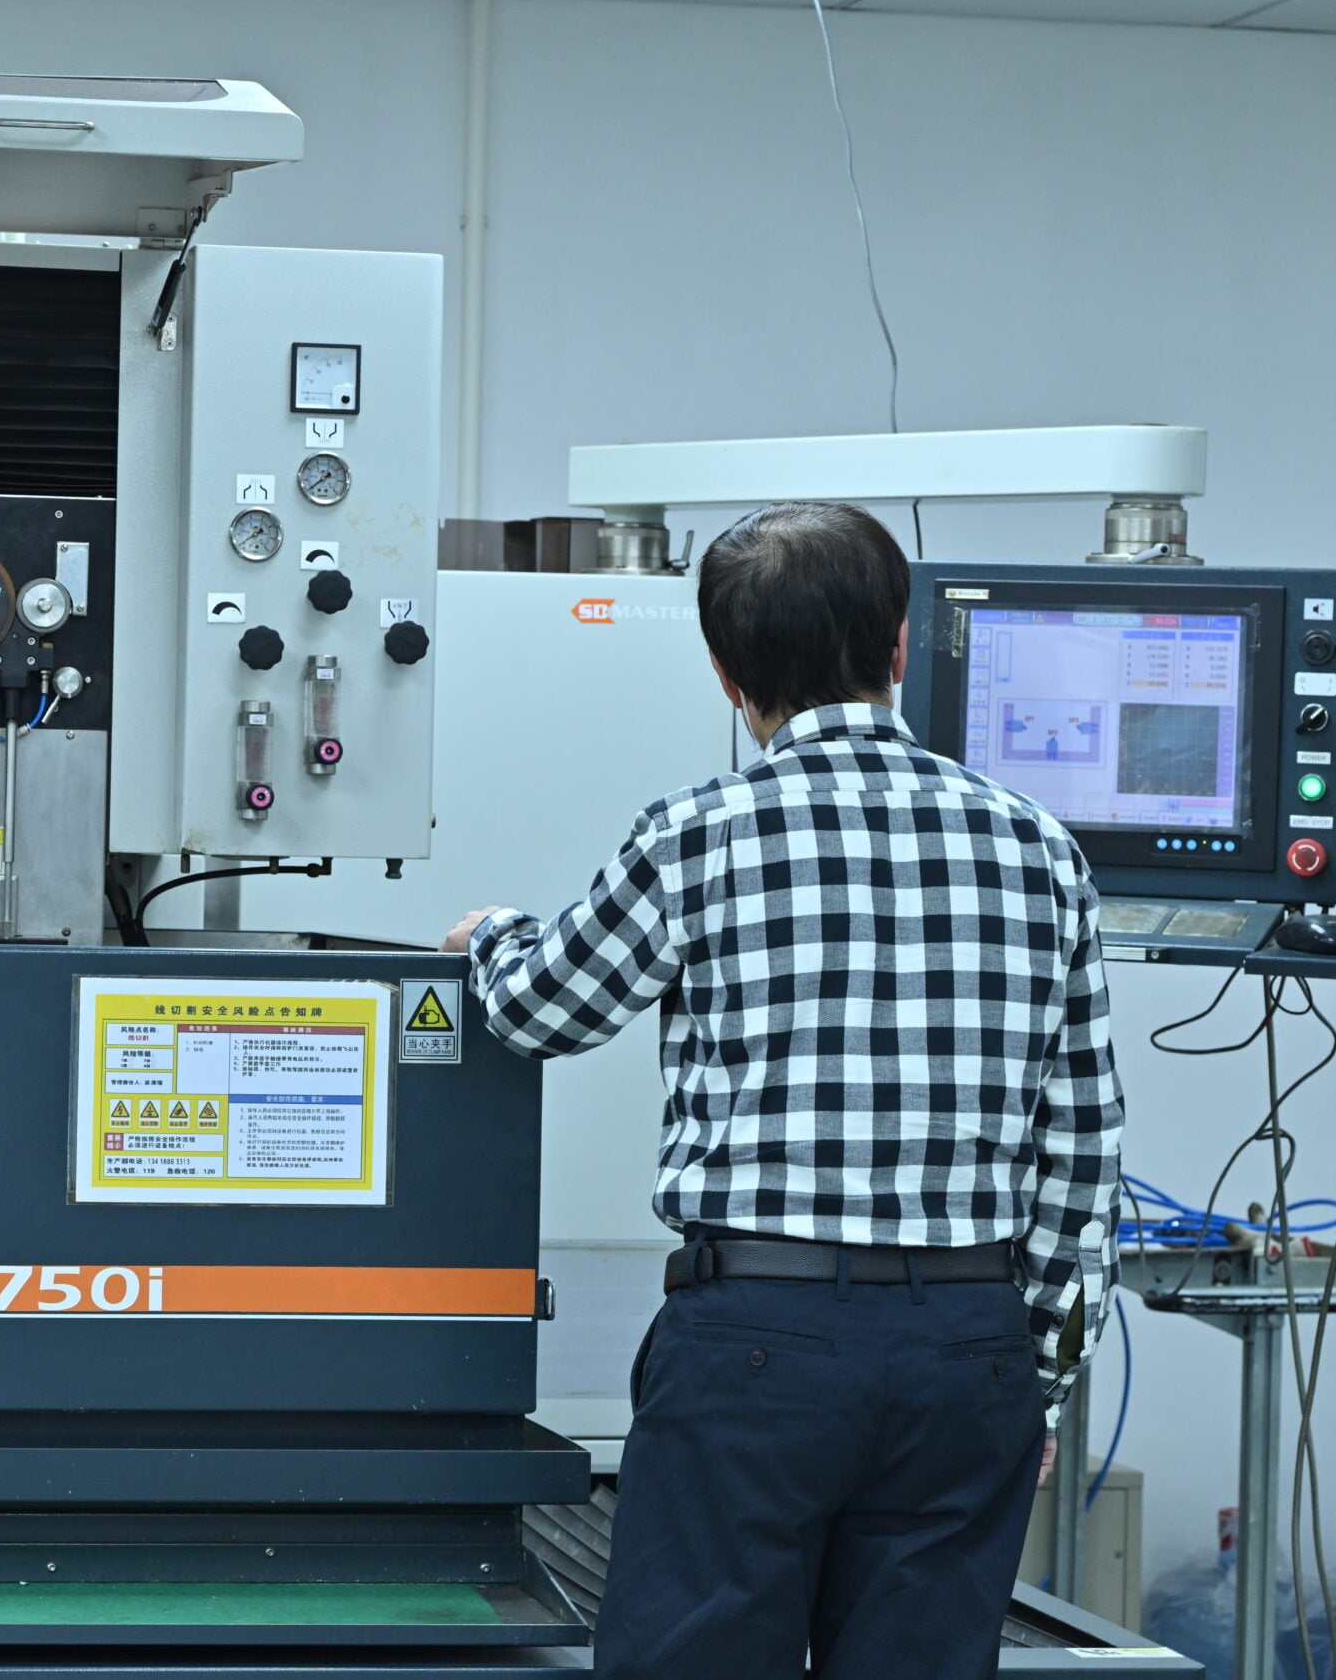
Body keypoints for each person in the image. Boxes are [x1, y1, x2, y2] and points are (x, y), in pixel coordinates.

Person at [444, 502, 1122, 1680]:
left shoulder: (696, 836)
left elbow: (542, 1010)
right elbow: (1083, 1145)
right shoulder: (1036, 847)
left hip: (756, 1339)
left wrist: (494, 934)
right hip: (966, 1349)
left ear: (726, 674)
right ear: (898, 646)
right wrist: (1039, 1381)